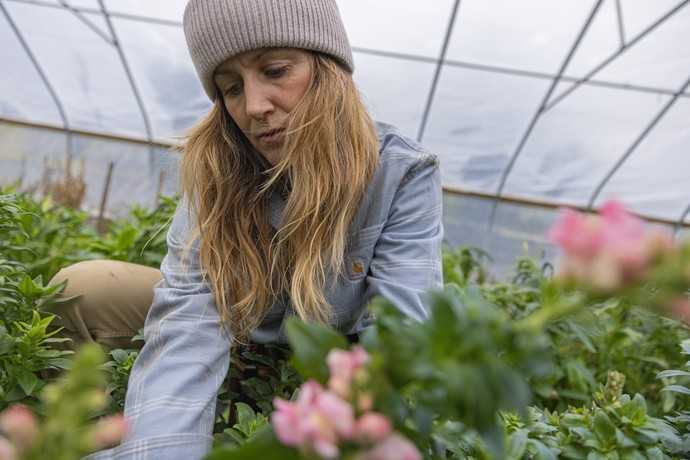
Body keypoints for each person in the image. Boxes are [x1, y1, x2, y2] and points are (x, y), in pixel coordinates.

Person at [47, 0, 443, 458]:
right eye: (231, 88)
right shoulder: (220, 167)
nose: (254, 106)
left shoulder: (401, 173)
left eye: (275, 70)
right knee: (83, 289)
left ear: (328, 69)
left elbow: (400, 335)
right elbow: (188, 322)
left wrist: (320, 424)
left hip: (326, 360)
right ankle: (97, 432)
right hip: (242, 331)